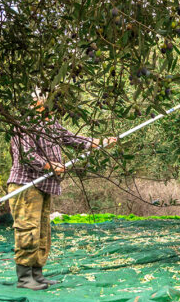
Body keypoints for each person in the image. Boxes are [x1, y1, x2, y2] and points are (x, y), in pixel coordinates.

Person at [8, 91, 117, 290]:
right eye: (48, 100)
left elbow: (70, 138)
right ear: (38, 102)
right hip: (26, 185)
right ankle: (24, 278)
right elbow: (26, 155)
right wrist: (50, 165)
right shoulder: (24, 124)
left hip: (43, 185)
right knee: (27, 229)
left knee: (42, 230)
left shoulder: (50, 123)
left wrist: (97, 143)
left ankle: (37, 274)